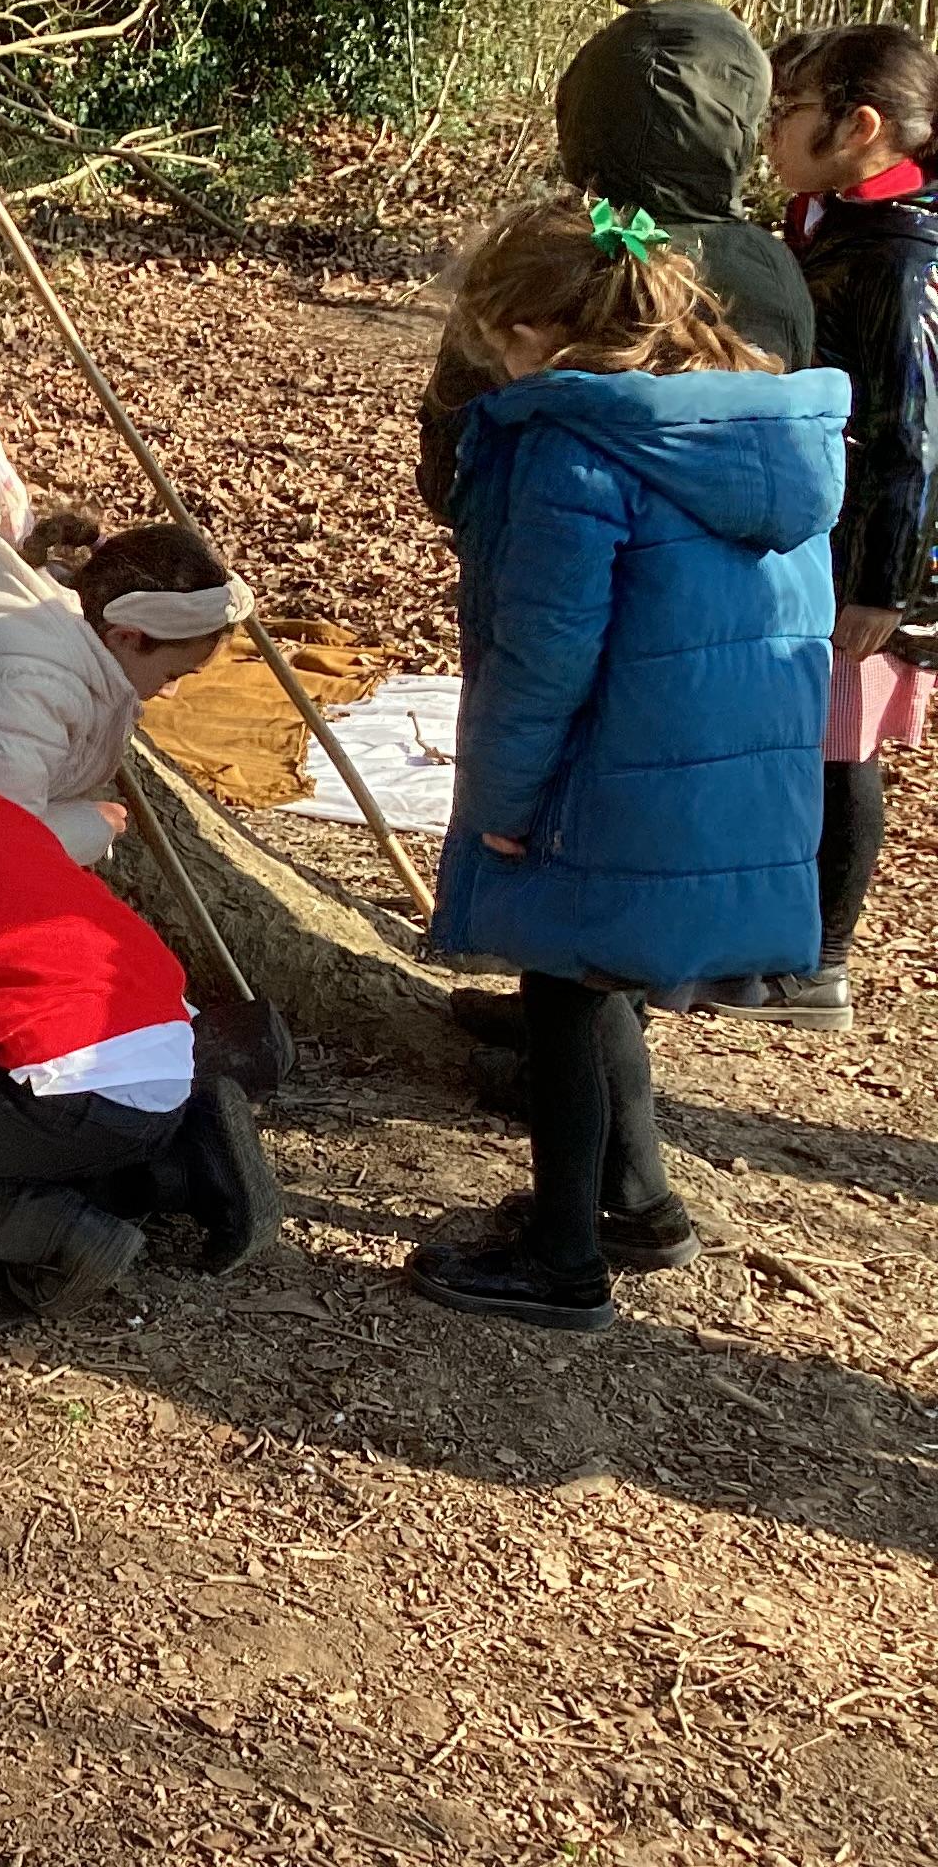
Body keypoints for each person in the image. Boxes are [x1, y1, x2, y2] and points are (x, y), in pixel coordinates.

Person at [415, 197, 843, 1332]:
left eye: (497, 342)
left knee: (560, 993)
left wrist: (501, 799)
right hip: (719, 770)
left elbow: (543, 652)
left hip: (609, 766)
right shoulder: (760, 422)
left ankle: (564, 1258)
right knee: (595, 977)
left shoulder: (576, 447)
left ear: (536, 332)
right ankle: (640, 1202)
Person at [684, 24, 938, 1031]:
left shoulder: (902, 255)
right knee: (806, 746)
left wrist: (885, 585)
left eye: (788, 112)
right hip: (825, 536)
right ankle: (771, 944)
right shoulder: (834, 223)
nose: (771, 133)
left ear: (859, 126)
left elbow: (915, 433)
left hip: (870, 561)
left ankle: (818, 965)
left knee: (841, 753)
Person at [0, 781, 283, 1315]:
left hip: (67, 1074)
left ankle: (53, 1237)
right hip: (165, 1051)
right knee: (36, 1135)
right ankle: (189, 1161)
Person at [418, 1, 814, 522]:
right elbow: (799, 438)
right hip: (743, 561)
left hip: (549, 548)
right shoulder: (773, 263)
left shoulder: (543, 252)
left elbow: (449, 453)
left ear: (583, 114)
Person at [0, 519, 251, 866]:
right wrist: (91, 826)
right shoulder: (35, 696)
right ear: (125, 637)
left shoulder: (62, 652)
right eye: (172, 674)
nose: (170, 692)